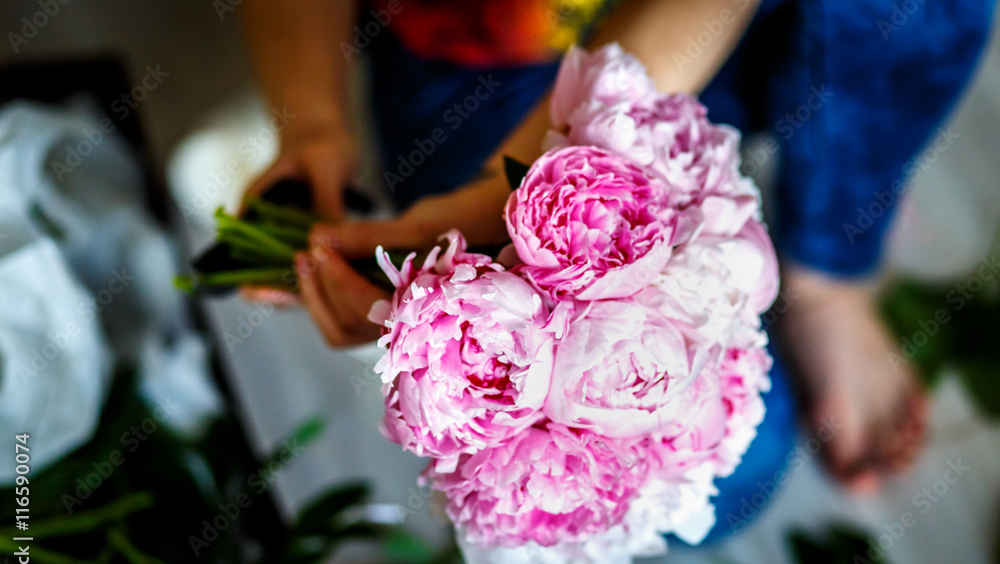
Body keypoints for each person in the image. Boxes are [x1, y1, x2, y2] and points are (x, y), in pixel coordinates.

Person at [237, 0, 994, 531]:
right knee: (733, 481)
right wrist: (312, 124)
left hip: (717, 15)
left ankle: (829, 268)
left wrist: (519, 188)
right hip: (492, 61)